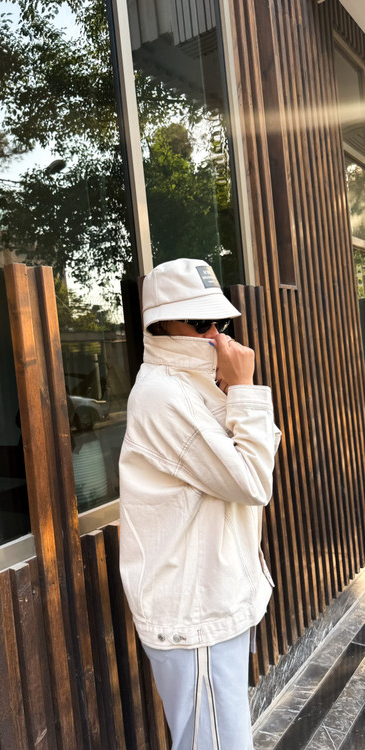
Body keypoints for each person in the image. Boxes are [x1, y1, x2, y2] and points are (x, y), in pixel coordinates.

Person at [119, 258, 281, 750]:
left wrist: (236, 393)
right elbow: (253, 481)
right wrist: (244, 390)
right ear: (161, 323)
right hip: (195, 612)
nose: (215, 335)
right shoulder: (165, 394)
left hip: (210, 602)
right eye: (200, 321)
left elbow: (259, 453)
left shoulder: (193, 383)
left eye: (220, 322)